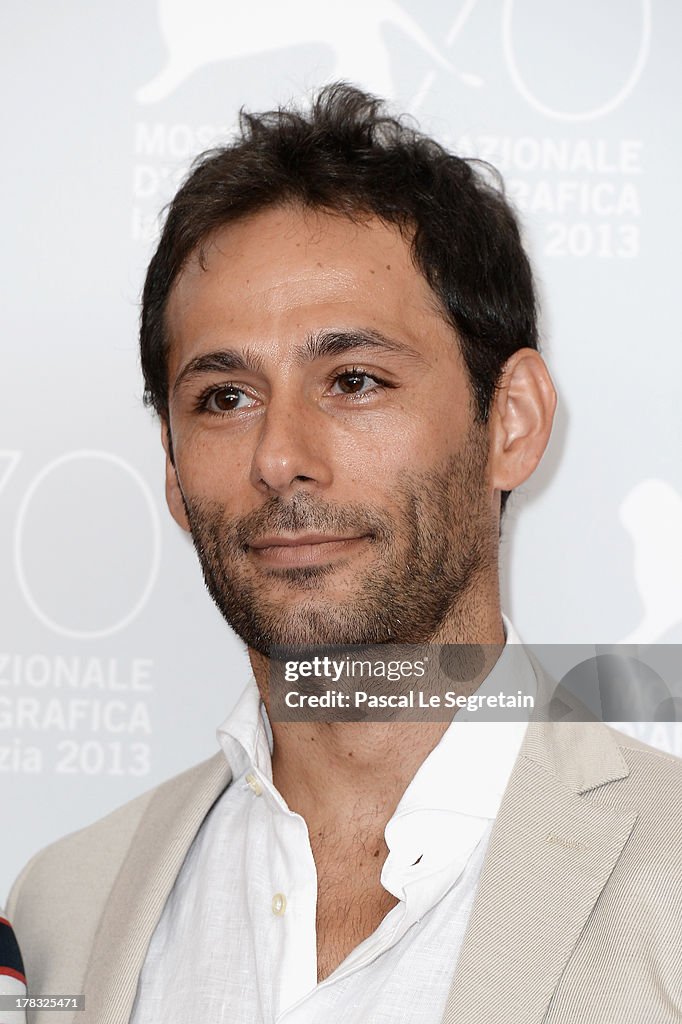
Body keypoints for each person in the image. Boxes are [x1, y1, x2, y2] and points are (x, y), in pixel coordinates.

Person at [7, 84, 682, 1024]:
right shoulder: (60, 912)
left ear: (512, 423)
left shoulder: (672, 881)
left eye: (354, 380)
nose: (280, 456)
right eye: (223, 398)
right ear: (170, 467)